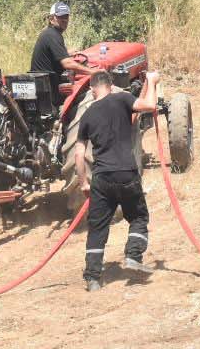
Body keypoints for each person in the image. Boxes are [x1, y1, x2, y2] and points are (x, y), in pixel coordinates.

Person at [73, 68, 160, 291]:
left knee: (98, 228)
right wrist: (151, 81)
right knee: (139, 217)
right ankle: (133, 255)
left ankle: (93, 278)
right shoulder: (121, 98)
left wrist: (84, 183)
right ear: (110, 86)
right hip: (126, 173)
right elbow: (149, 106)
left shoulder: (87, 115)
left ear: (93, 90)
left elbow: (78, 154)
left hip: (101, 179)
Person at [30, 1, 94, 89]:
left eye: (66, 16)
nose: (64, 20)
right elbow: (67, 64)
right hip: (50, 90)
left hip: (42, 84)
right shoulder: (53, 35)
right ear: (51, 19)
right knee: (86, 90)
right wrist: (93, 72)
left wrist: (66, 53)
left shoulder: (48, 33)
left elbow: (51, 56)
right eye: (60, 17)